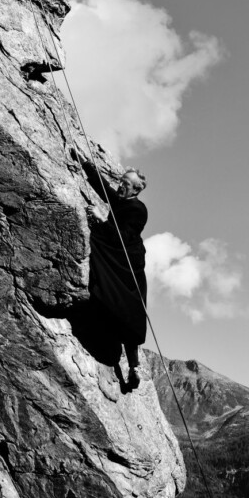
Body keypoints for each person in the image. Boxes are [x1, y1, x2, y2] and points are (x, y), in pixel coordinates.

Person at [78, 154, 148, 390]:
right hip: (120, 260)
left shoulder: (138, 210)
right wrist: (86, 165)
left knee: (130, 312)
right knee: (124, 309)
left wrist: (101, 219)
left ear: (136, 189)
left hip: (128, 265)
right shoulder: (123, 202)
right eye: (121, 181)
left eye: (126, 184)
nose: (121, 185)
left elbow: (125, 237)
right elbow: (105, 189)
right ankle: (130, 365)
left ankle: (133, 366)